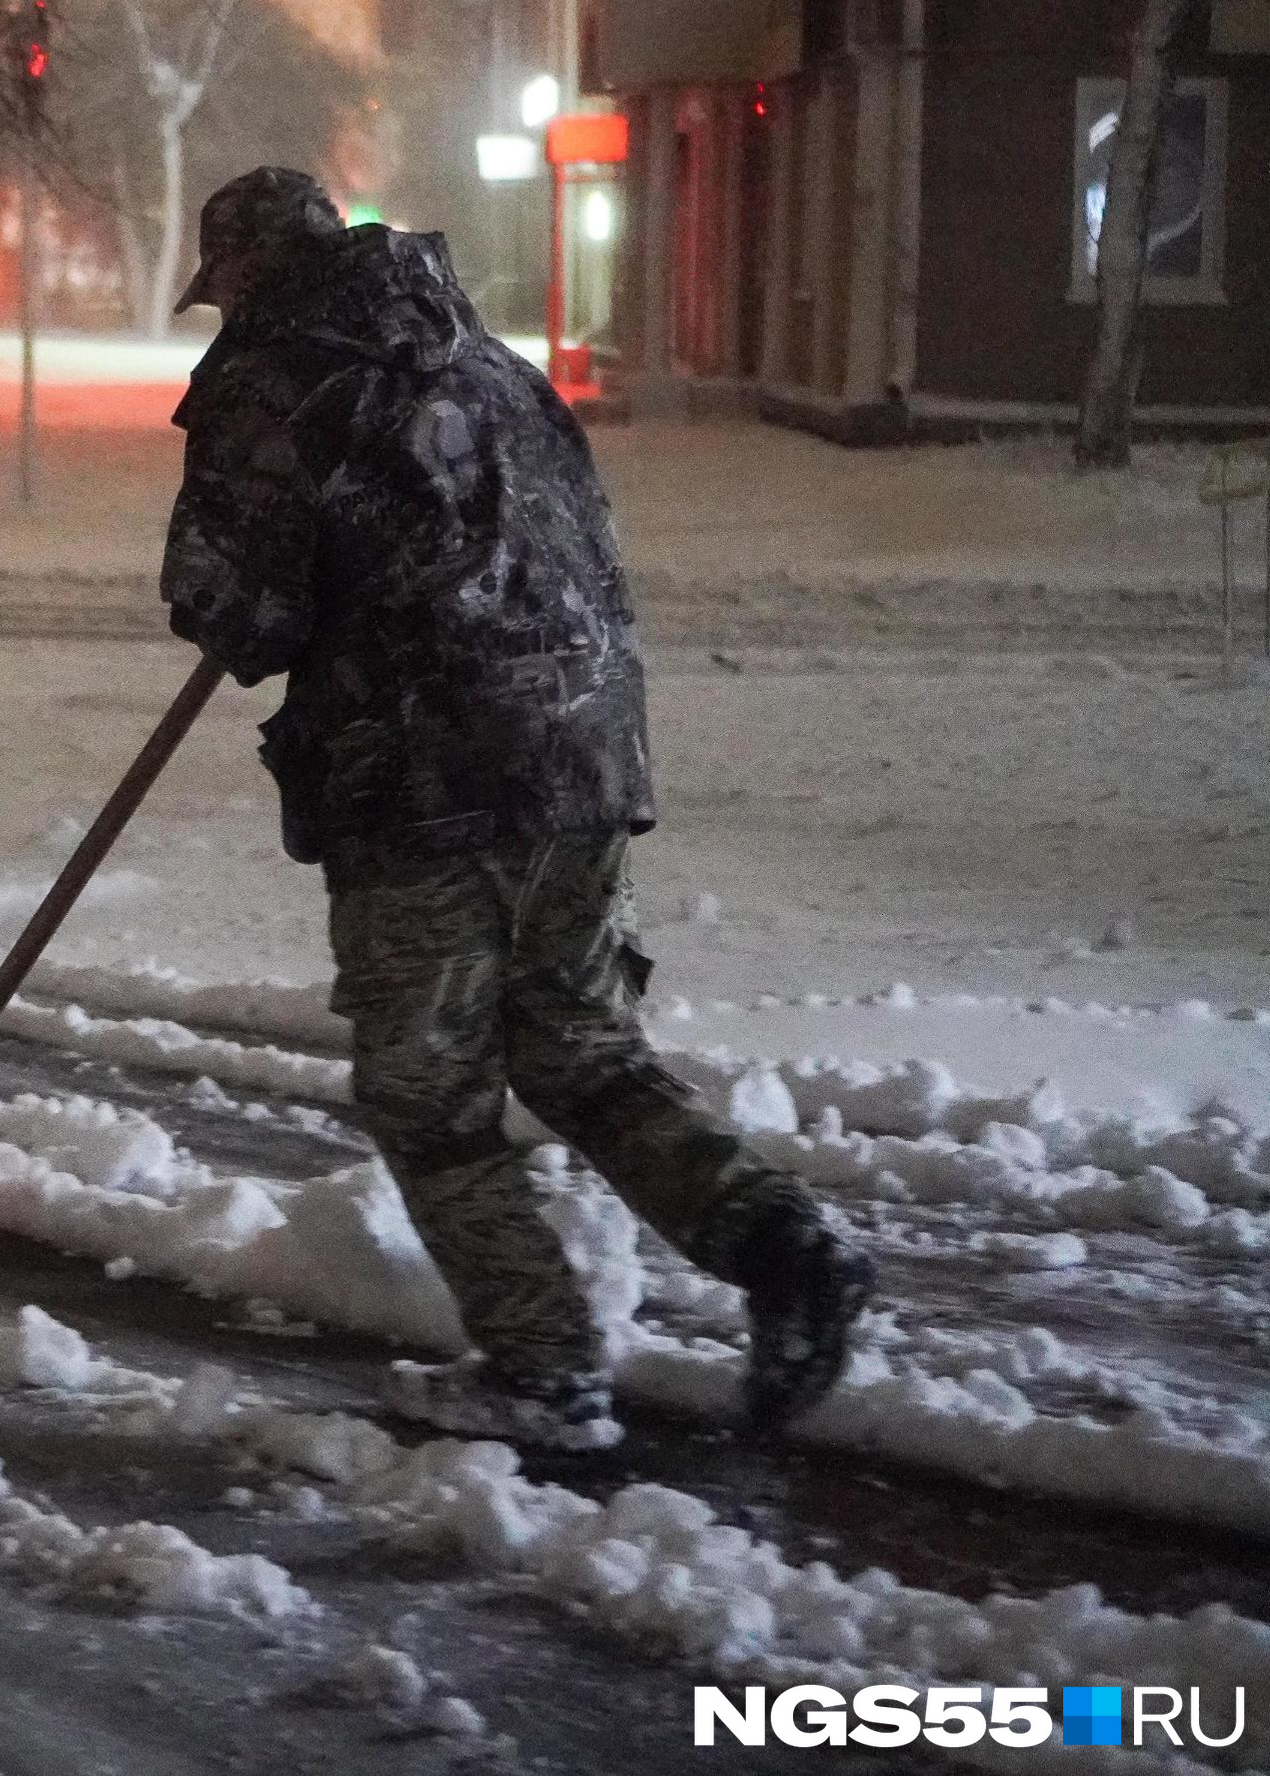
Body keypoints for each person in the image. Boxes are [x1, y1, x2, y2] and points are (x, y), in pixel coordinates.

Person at [159, 166, 873, 1448]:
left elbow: (240, 613)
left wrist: (267, 585)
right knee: (576, 1047)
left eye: (223, 296)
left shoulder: (278, 379)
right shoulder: (484, 355)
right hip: (588, 751)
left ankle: (543, 1371)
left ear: (249, 275)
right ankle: (788, 1250)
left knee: (430, 1094)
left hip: (423, 776)